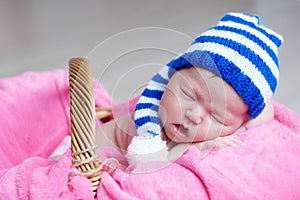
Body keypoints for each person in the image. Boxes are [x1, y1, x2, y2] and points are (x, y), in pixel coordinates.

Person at [51, 12, 283, 162]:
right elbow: (157, 165)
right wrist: (203, 146)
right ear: (170, 77)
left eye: (218, 117)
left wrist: (241, 129)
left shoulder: (216, 119)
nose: (194, 115)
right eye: (188, 94)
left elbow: (266, 110)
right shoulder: (151, 123)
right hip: (79, 154)